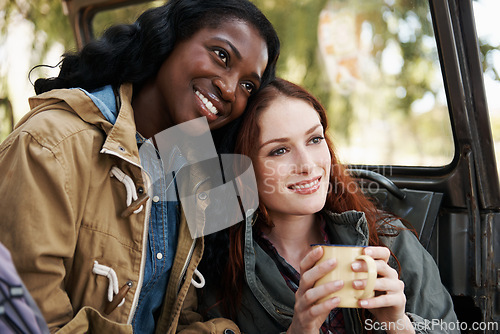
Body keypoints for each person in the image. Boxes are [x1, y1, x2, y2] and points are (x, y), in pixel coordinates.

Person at [0, 0, 279, 333]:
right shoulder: (51, 145)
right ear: (170, 38)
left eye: (248, 85)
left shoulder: (189, 172)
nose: (231, 89)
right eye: (221, 55)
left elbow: (177, 316)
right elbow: (32, 320)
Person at [198, 78, 459, 333]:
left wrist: (399, 325)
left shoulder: (389, 239)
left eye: (314, 139)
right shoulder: (222, 269)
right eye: (279, 151)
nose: (308, 165)